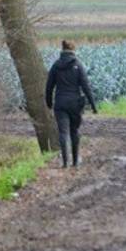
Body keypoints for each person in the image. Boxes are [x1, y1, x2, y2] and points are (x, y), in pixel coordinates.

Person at [44, 40, 97, 168]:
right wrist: (93, 105)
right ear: (73, 50)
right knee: (74, 131)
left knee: (63, 132)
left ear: (62, 50)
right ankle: (75, 162)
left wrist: (49, 103)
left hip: (60, 103)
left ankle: (65, 163)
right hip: (75, 104)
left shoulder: (56, 65)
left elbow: (49, 87)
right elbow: (86, 87)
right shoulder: (78, 65)